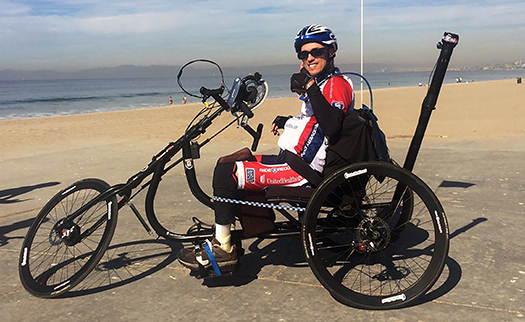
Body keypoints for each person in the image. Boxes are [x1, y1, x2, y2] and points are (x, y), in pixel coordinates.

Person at [177, 24, 354, 272]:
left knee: (225, 174)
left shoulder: (336, 84)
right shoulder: (324, 82)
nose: (309, 58)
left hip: (299, 170)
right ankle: (246, 229)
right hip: (293, 161)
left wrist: (310, 88)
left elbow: (332, 126)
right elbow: (314, 124)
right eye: (304, 54)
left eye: (316, 51)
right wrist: (288, 120)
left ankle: (224, 249)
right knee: (228, 161)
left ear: (332, 51)